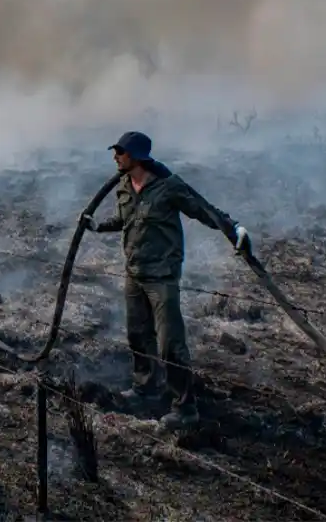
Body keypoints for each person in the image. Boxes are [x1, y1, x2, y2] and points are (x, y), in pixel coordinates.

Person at [83, 131, 250, 430]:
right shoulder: (124, 185)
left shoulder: (168, 187)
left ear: (135, 157)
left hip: (161, 277)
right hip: (134, 272)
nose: (115, 157)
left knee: (170, 344)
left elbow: (202, 209)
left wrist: (233, 228)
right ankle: (145, 388)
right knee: (137, 334)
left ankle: (185, 408)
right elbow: (124, 220)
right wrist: (97, 226)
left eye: (120, 152)